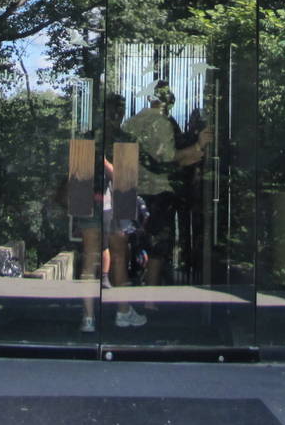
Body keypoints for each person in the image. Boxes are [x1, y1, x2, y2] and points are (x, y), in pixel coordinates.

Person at [122, 80, 211, 290]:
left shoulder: (130, 122)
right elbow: (170, 159)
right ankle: (150, 299)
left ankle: (126, 296)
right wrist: (198, 146)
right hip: (157, 192)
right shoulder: (161, 123)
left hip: (130, 190)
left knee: (132, 243)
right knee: (157, 247)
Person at [75, 93, 144, 332]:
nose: (118, 114)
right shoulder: (123, 138)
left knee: (91, 260)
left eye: (120, 109)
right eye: (116, 109)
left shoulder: (89, 137)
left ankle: (89, 318)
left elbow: (77, 176)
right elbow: (125, 180)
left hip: (92, 202)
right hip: (110, 203)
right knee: (116, 259)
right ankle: (121, 312)